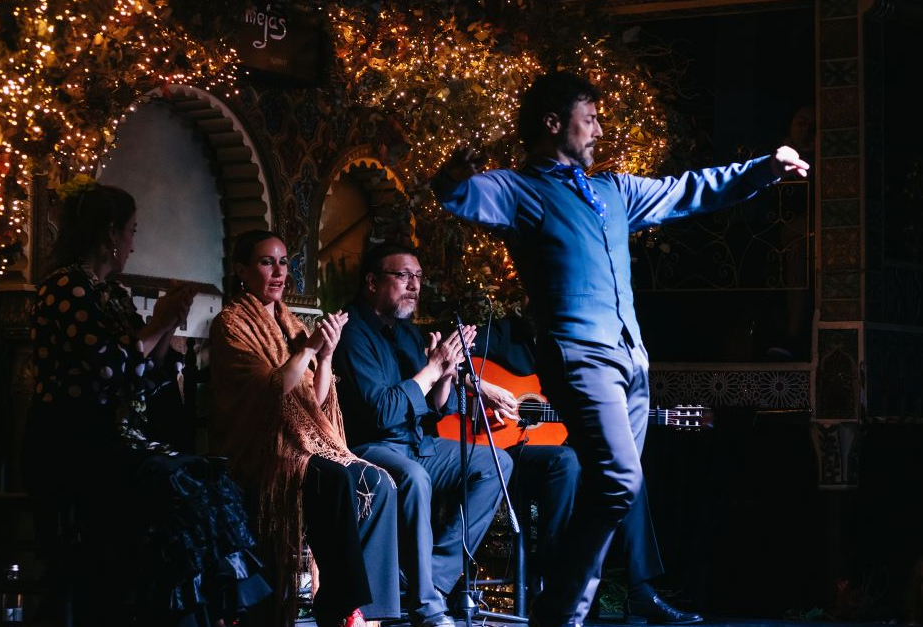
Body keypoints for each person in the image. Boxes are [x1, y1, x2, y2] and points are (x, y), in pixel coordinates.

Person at [431, 71, 810, 627]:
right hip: (580, 356)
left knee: (613, 491)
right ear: (553, 124)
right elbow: (462, 195)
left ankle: (566, 614)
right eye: (590, 119)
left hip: (632, 361)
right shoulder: (522, 191)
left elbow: (686, 190)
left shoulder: (612, 190)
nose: (600, 131)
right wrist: (454, 173)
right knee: (617, 481)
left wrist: (764, 169)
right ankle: (556, 613)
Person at [23, 176, 271, 626]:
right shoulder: (65, 288)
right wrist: (156, 324)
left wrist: (170, 321)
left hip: (119, 438)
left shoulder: (113, 294)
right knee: (180, 489)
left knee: (209, 479)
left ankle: (213, 614)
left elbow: (145, 374)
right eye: (131, 231)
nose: (133, 244)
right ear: (110, 233)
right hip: (75, 439)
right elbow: (107, 368)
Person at [208, 230, 400, 627]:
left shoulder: (291, 323)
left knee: (379, 483)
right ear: (242, 270)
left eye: (283, 262)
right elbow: (270, 390)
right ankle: (340, 609)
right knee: (335, 480)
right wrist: (309, 348)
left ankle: (370, 612)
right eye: (267, 262)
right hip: (262, 450)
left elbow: (317, 398)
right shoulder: (230, 324)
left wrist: (325, 356)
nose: (279, 272)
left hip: (306, 442)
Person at [473, 308, 701, 623]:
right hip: (500, 449)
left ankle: (641, 591)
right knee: (566, 464)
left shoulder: (576, 346)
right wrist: (483, 388)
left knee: (622, 469)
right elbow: (453, 358)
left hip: (556, 447)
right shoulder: (503, 333)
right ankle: (555, 583)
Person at [332, 243, 514, 627]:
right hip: (371, 446)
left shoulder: (407, 333)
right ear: (372, 281)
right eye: (403, 276)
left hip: (418, 443)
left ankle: (433, 575)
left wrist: (445, 375)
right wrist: (432, 369)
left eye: (417, 277)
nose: (414, 286)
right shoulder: (352, 333)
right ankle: (426, 606)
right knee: (415, 478)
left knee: (495, 463)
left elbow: (435, 407)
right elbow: (382, 413)